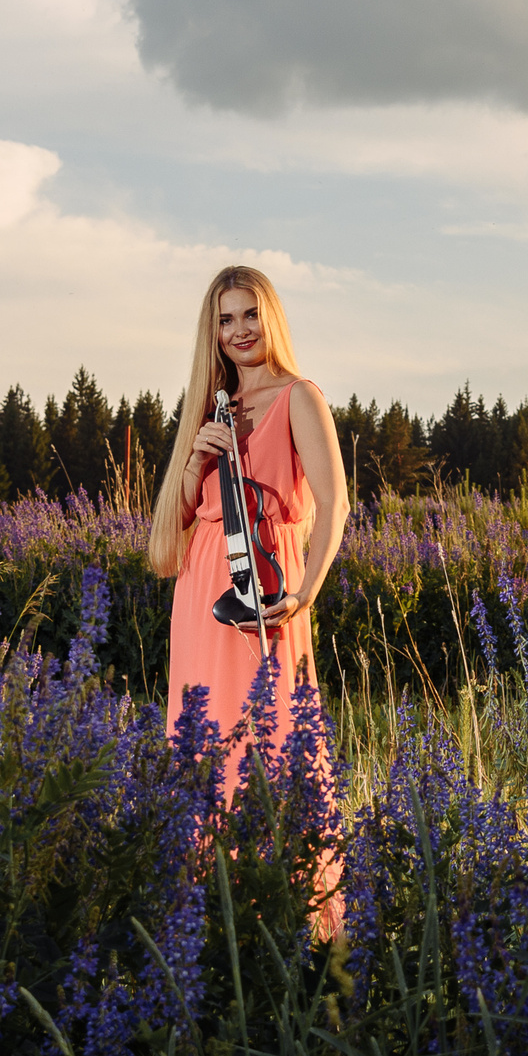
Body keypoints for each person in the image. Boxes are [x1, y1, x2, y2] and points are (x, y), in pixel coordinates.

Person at [149, 265, 350, 922]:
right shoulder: (212, 408)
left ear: (271, 318)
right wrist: (195, 460)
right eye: (225, 319)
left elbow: (335, 504)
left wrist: (304, 595)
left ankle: (295, 925)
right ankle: (207, 923)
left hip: (265, 593)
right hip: (200, 596)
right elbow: (170, 533)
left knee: (275, 740)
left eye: (249, 315)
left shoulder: (300, 397)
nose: (239, 330)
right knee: (204, 747)